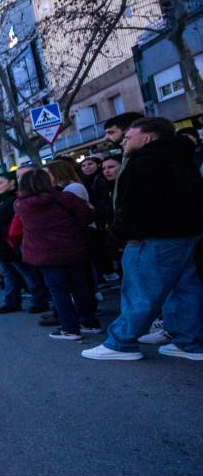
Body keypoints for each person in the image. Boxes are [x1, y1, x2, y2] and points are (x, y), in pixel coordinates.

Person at [83, 117, 203, 361]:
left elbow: (131, 207)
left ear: (146, 138)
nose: (124, 141)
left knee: (140, 291)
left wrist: (116, 236)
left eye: (129, 137)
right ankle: (188, 341)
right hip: (186, 233)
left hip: (152, 236)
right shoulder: (182, 156)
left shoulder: (142, 165)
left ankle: (120, 343)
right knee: (184, 287)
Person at [12, 170, 101, 340]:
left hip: (45, 254)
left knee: (59, 291)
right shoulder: (65, 198)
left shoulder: (20, 205)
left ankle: (69, 327)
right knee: (80, 287)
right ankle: (89, 322)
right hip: (74, 248)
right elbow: (87, 216)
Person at [0, 171, 51, 315]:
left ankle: (40, 301)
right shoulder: (0, 201)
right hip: (1, 244)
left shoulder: (13, 200)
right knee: (9, 274)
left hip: (12, 244)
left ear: (12, 183)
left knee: (27, 273)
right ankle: (12, 301)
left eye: (0, 183)